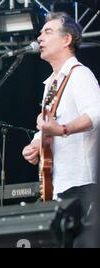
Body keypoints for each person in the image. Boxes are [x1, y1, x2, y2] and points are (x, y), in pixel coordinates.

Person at [22, 12, 100, 242]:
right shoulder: (51, 84)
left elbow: (96, 113)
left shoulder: (80, 75)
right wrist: (36, 143)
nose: (40, 37)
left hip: (81, 184)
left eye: (48, 32)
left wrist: (63, 129)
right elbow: (50, 125)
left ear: (67, 40)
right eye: (41, 32)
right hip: (58, 185)